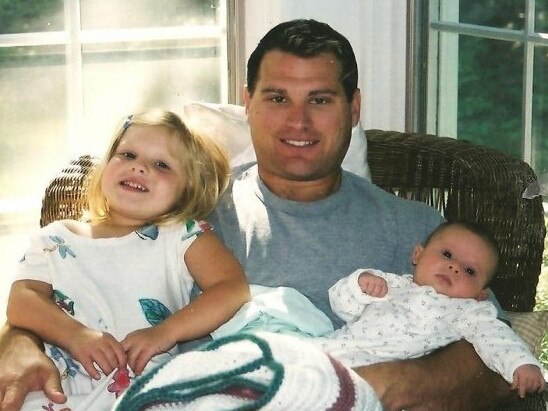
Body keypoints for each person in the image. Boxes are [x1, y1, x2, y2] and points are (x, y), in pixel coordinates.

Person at [0, 19, 520, 410]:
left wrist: (394, 384)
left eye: (320, 99)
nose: (298, 121)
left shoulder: (422, 235)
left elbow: (499, 355)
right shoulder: (184, 213)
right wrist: (18, 345)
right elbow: (77, 275)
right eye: (276, 97)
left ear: (354, 108)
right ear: (247, 102)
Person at [4, 109, 250, 409]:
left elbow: (232, 288)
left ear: (187, 189)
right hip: (56, 391)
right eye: (128, 154)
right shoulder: (56, 238)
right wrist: (76, 336)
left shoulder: (181, 235)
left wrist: (165, 332)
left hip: (146, 392)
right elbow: (22, 300)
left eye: (161, 164)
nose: (140, 168)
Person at [316, 221, 545, 399]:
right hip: (336, 349)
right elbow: (342, 306)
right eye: (447, 255)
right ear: (418, 254)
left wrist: (521, 364)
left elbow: (497, 339)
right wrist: (359, 284)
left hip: (385, 377)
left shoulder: (469, 311)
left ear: (480, 294)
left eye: (470, 271)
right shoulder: (390, 284)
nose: (454, 267)